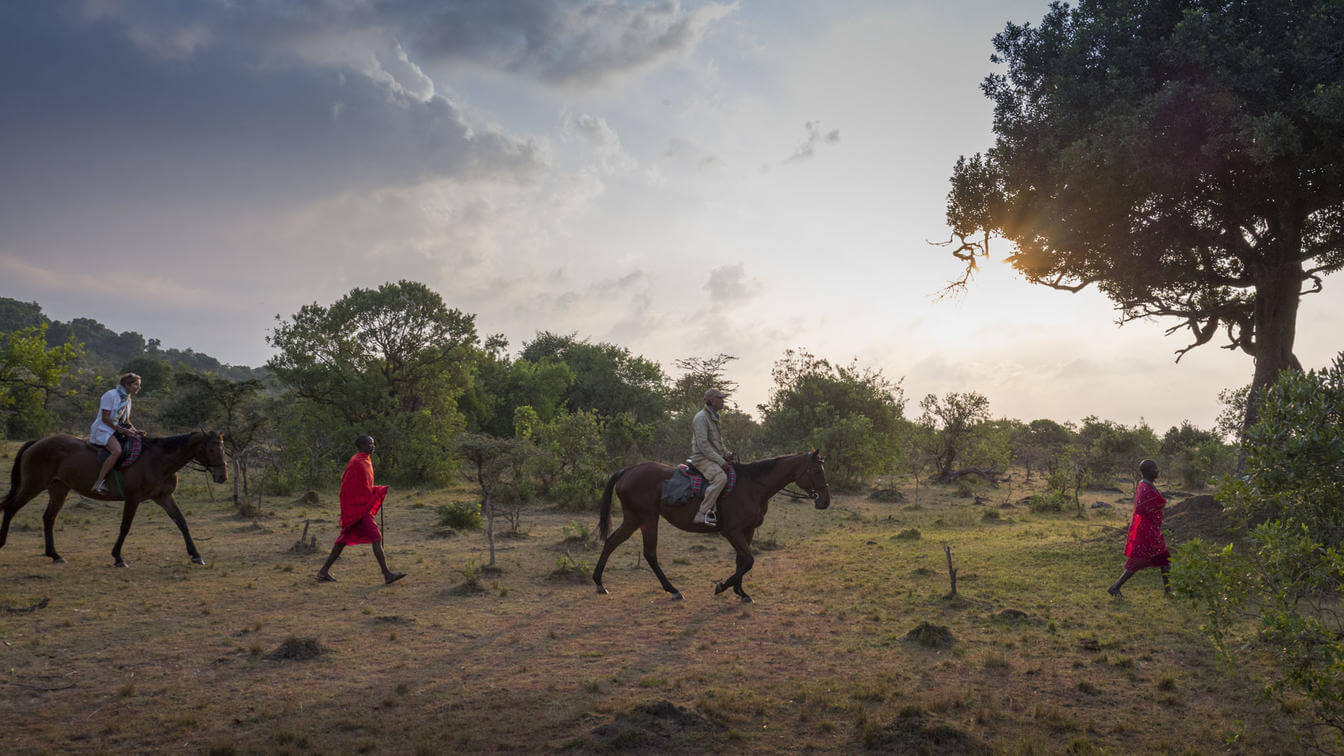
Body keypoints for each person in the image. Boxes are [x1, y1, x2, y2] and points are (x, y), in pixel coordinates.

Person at [315, 435, 406, 585]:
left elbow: (363, 486)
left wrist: (375, 490)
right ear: (362, 445)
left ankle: (323, 571)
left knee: (342, 541)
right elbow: (347, 486)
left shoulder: (365, 460)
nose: (373, 446)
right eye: (370, 444)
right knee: (376, 537)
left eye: (373, 443)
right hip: (358, 509)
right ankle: (387, 574)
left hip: (360, 507)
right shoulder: (357, 462)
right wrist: (354, 507)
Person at [1108, 458, 1171, 597]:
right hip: (1146, 531)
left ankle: (1168, 591)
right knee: (1138, 560)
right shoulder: (1144, 487)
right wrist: (1157, 506)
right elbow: (1142, 508)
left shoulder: (1149, 485)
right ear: (1147, 471)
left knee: (1164, 558)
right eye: (1154, 469)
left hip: (1153, 530)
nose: (1157, 471)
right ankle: (1115, 587)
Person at [90, 372, 145, 494]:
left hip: (116, 429)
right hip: (103, 429)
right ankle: (98, 483)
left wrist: (135, 431)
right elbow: (105, 418)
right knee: (117, 451)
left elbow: (127, 420)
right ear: (127, 384)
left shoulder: (128, 399)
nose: (139, 388)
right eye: (136, 385)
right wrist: (121, 430)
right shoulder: (110, 395)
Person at [691, 388, 734, 525]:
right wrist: (721, 461)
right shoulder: (701, 418)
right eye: (720, 398)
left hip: (711, 457)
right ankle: (702, 513)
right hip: (701, 458)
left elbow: (716, 443)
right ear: (711, 400)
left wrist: (726, 454)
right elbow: (703, 445)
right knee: (720, 478)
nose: (723, 401)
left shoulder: (713, 417)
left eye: (722, 398)